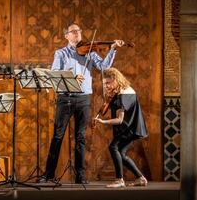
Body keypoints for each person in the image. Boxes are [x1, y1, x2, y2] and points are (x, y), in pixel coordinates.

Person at [38, 23, 123, 184]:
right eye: (74, 31)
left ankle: (80, 176)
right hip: (65, 98)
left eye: (79, 31)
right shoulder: (61, 53)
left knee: (81, 137)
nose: (78, 34)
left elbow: (104, 67)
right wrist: (72, 78)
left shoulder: (89, 52)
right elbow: (55, 74)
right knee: (57, 136)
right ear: (67, 36)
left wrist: (113, 49)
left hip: (84, 98)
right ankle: (48, 174)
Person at [93, 67, 148, 188]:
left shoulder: (124, 95)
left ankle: (119, 180)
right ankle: (141, 178)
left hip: (129, 128)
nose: (106, 86)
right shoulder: (122, 91)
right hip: (130, 127)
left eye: (108, 83)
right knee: (121, 153)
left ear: (116, 79)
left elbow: (119, 120)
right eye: (104, 84)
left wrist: (103, 121)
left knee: (113, 147)